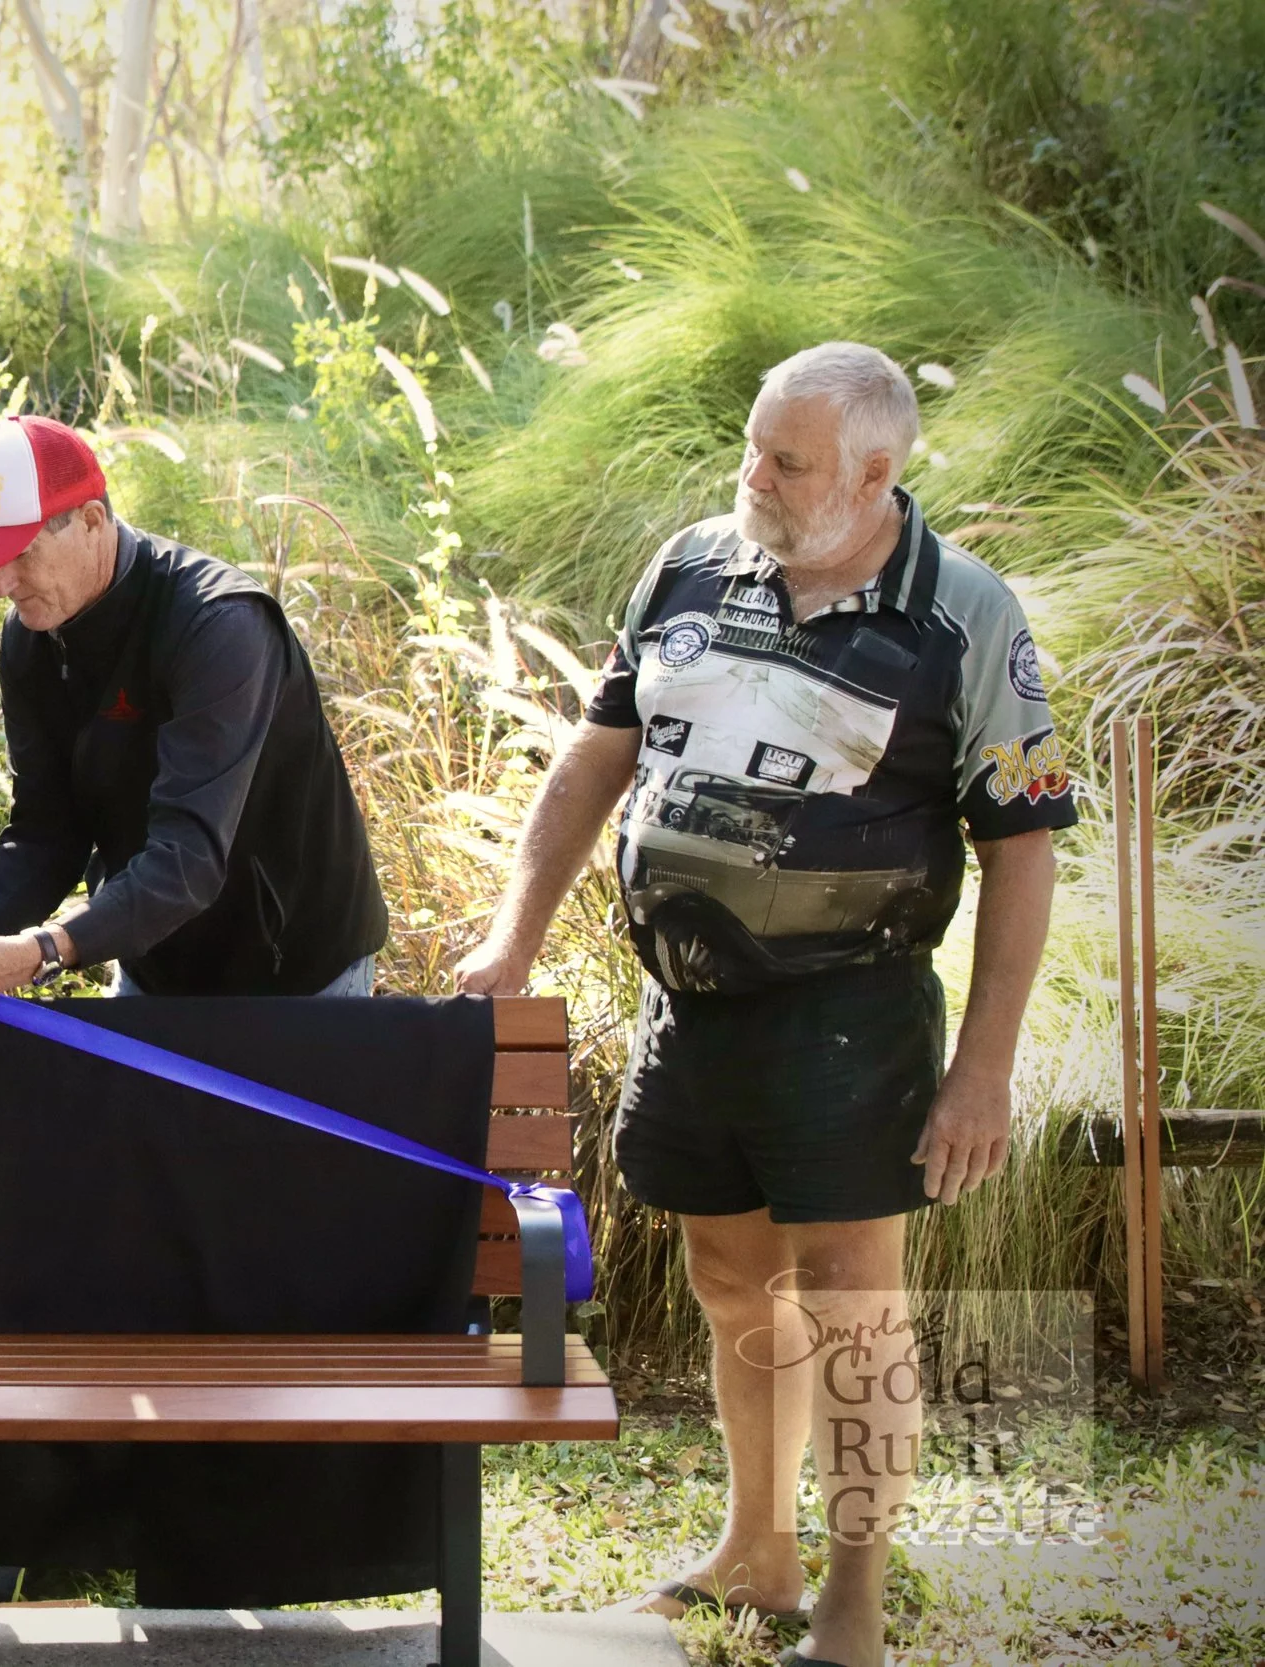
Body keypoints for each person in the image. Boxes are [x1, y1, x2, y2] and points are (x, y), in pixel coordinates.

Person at [456, 343, 1074, 1667]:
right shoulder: (692, 563)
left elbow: (1026, 851)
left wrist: (983, 1069)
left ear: (874, 473)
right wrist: (517, 927)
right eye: (752, 446)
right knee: (732, 1279)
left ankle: (853, 1590)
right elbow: (597, 756)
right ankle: (759, 1549)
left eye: (785, 462)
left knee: (854, 1299)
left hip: (850, 1014)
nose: (754, 477)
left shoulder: (965, 617)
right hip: (692, 1003)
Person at [0, 415, 386, 1021]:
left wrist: (34, 953)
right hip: (155, 967)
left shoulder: (220, 627)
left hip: (300, 977)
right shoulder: (32, 636)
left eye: (16, 553)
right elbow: (47, 832)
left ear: (91, 521)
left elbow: (187, 860)